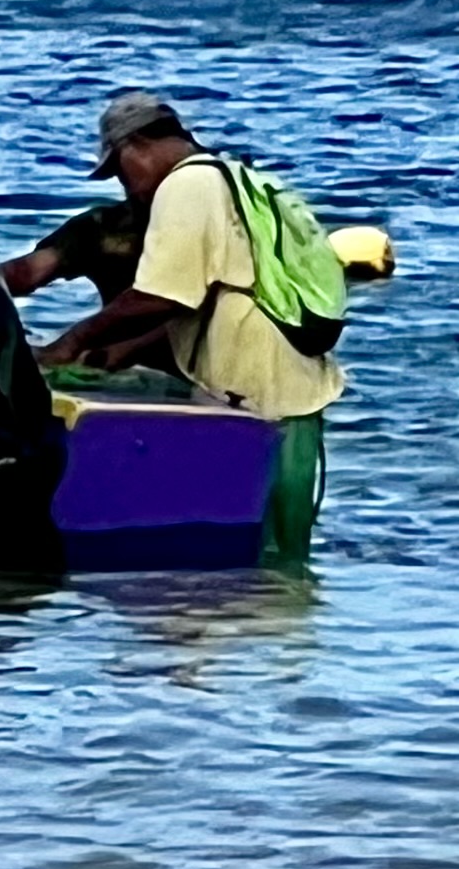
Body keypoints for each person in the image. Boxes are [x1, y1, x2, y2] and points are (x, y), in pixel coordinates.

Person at [27, 90, 343, 566]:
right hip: (290, 381)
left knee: (255, 547)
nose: (127, 189)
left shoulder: (186, 186)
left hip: (259, 388)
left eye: (120, 171)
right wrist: (124, 351)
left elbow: (161, 296)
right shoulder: (236, 177)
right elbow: (212, 296)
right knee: (273, 559)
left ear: (136, 145)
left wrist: (68, 344)